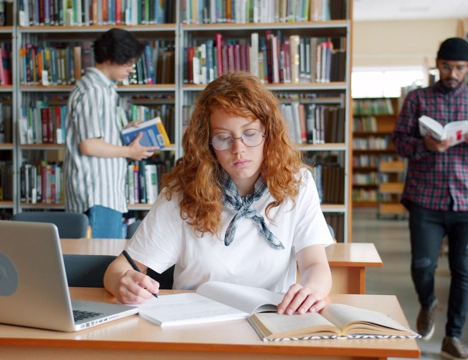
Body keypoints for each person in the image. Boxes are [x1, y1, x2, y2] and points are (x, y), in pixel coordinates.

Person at [104, 72, 334, 315]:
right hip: (195, 326)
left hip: (271, 321)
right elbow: (119, 269)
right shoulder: (182, 193)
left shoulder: (297, 183)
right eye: (223, 138)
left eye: (250, 134)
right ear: (207, 143)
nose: (239, 149)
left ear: (269, 133)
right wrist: (123, 283)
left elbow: (316, 265)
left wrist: (312, 290)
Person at [392, 37, 468, 360]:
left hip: (467, 201)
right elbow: (399, 141)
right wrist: (424, 146)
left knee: (463, 271)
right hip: (425, 198)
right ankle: (427, 301)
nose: (451, 73)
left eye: (458, 68)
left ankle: (452, 337)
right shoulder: (417, 99)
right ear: (437, 65)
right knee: (422, 266)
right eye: (446, 67)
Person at [63, 28, 158, 238]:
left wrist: (125, 130)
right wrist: (129, 151)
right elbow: (89, 144)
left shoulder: (105, 90)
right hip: (96, 194)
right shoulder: (93, 90)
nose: (131, 68)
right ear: (111, 58)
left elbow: (98, 135)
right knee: (97, 261)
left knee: (104, 258)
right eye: (128, 62)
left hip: (105, 193)